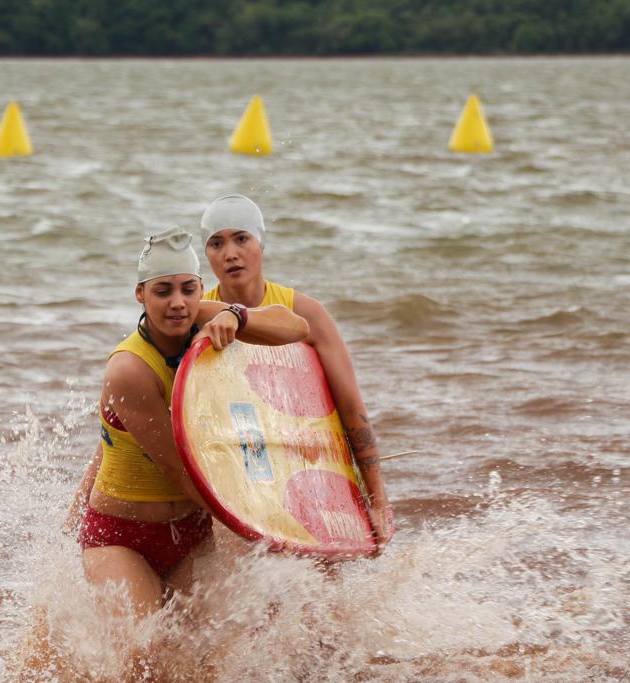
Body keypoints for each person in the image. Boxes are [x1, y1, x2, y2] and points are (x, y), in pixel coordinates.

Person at [67, 227, 309, 621]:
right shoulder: (129, 369)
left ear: (201, 290)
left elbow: (297, 327)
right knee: (143, 655)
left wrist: (236, 315)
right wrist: (263, 528)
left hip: (191, 534)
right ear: (140, 295)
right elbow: (181, 470)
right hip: (120, 536)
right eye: (163, 292)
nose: (178, 304)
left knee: (201, 659)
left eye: (188, 289)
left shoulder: (203, 316)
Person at [198, 194, 394, 550]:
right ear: (207, 254)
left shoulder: (306, 313)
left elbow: (351, 408)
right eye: (216, 243)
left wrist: (376, 500)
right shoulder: (196, 315)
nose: (230, 253)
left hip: (304, 464)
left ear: (261, 243)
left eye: (242, 238)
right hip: (238, 466)